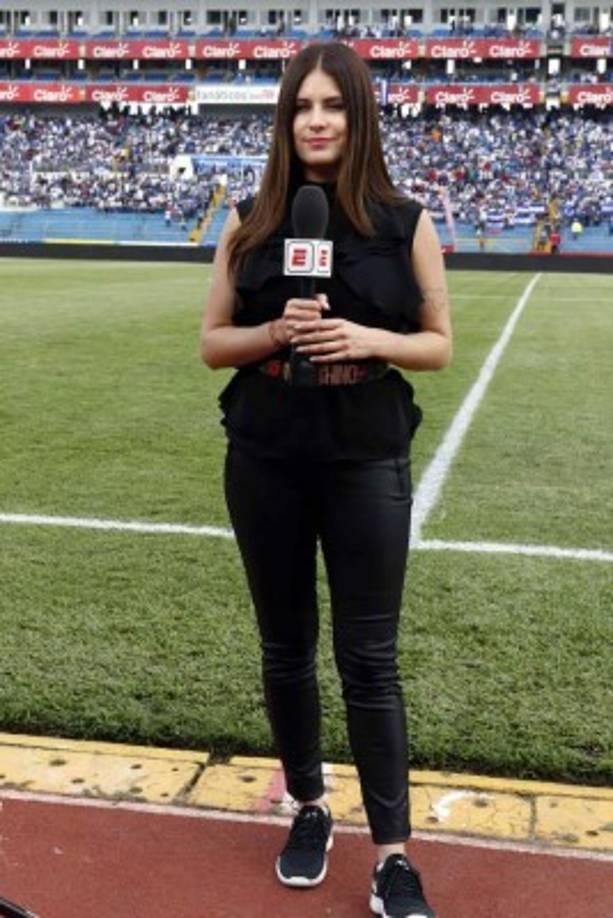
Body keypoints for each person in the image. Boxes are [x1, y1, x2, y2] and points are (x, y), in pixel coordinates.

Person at [200, 41, 451, 918]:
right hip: (266, 449)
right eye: (302, 105)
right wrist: (277, 334)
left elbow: (438, 345)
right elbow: (211, 345)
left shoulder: (403, 221)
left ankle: (391, 858)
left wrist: (366, 340)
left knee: (369, 659)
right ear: (284, 117)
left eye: (333, 105)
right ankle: (308, 806)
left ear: (358, 116)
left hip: (366, 453)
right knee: (284, 647)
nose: (316, 119)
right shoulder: (251, 220)